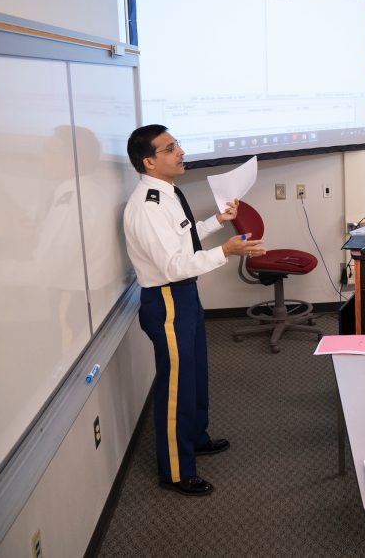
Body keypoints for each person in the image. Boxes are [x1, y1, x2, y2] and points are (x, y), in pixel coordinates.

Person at [123, 125, 264, 496]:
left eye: (178, 144)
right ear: (149, 161)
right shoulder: (147, 206)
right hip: (167, 298)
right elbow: (172, 266)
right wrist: (227, 251)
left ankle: (196, 437)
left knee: (195, 374)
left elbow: (182, 241)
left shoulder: (167, 193)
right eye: (170, 148)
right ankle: (174, 470)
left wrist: (216, 223)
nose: (181, 151)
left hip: (184, 295)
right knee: (175, 388)